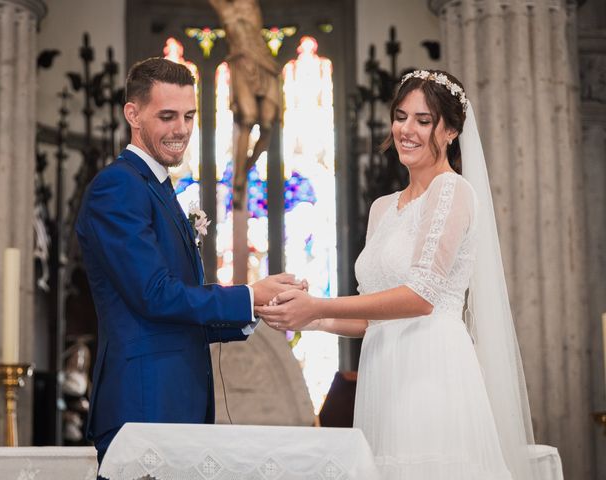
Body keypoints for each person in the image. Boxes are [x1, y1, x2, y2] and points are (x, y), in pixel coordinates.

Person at [257, 70, 538, 479]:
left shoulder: (453, 191)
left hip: (430, 367)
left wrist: (318, 304)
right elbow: (371, 314)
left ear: (451, 131)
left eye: (423, 121)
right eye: (401, 116)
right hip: (383, 370)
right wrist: (308, 318)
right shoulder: (383, 208)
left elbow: (420, 298)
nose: (407, 130)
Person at [75, 57, 304, 468]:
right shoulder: (119, 187)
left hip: (176, 401)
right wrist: (249, 296)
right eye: (166, 116)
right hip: (145, 402)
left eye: (188, 115)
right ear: (133, 113)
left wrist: (258, 309)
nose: (181, 129)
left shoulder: (158, 189)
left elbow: (178, 306)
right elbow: (155, 295)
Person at [208, 0, 280, 209]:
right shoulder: (226, 9)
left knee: (267, 126)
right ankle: (238, 180)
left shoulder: (251, 4)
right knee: (248, 119)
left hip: (265, 64)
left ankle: (246, 168)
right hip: (241, 63)